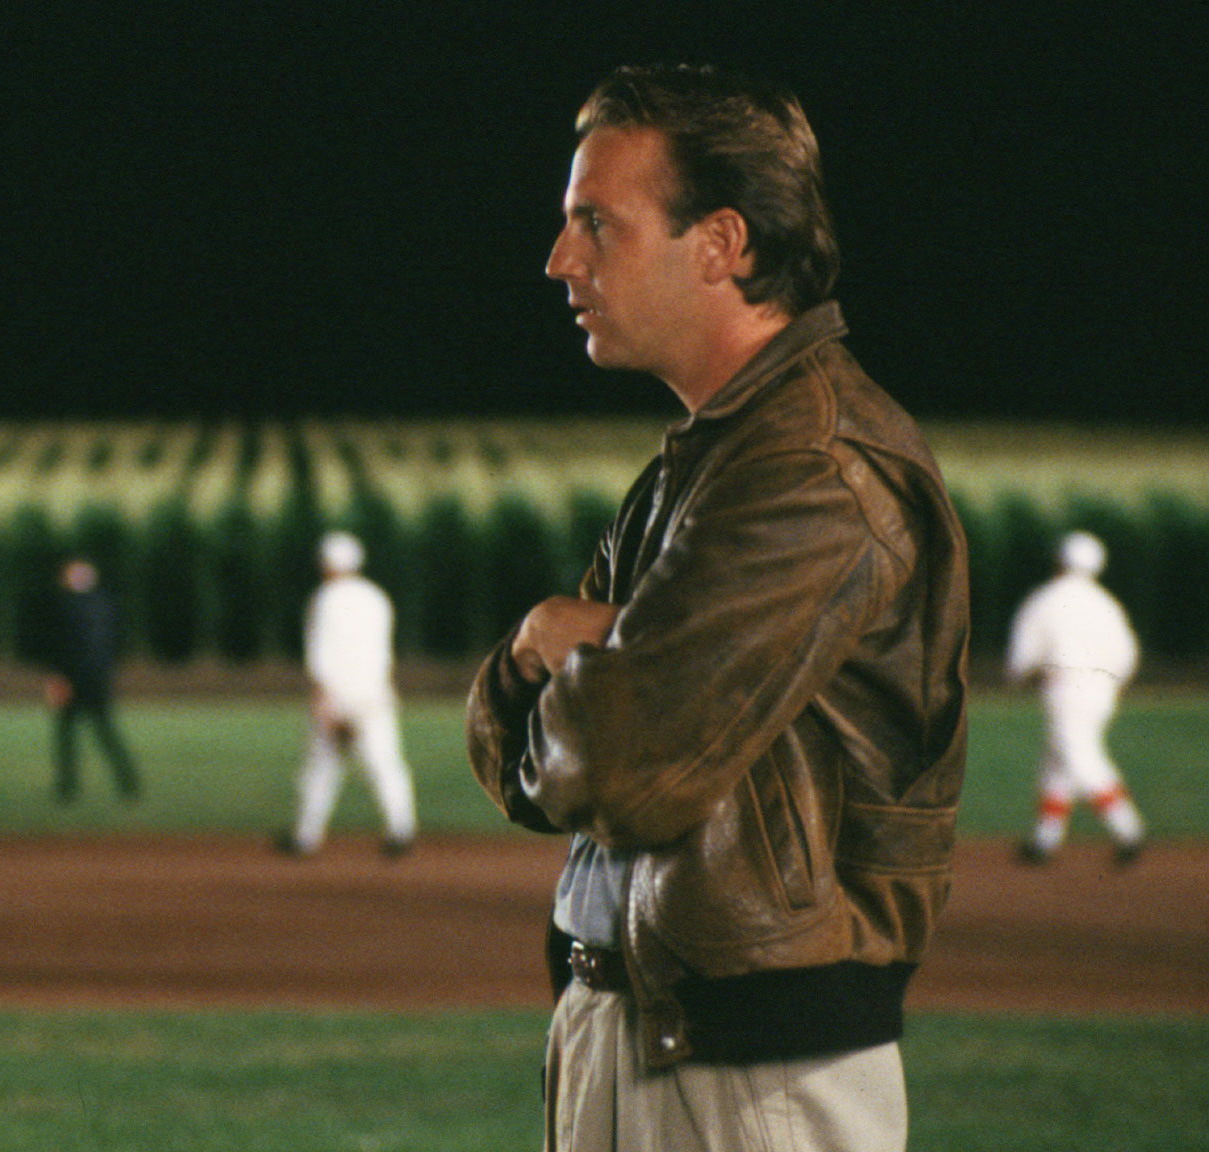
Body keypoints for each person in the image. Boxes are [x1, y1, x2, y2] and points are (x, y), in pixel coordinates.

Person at [463, 66, 970, 1151]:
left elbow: (620, 768)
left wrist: (570, 643)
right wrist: (545, 653)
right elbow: (518, 762)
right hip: (646, 1032)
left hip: (750, 1075)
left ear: (721, 243)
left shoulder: (811, 466)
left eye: (595, 223)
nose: (560, 259)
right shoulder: (707, 458)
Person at [1007, 531, 1145, 866]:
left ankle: (1129, 830)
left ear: (1059, 559)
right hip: (1104, 690)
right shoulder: (1106, 603)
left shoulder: (1045, 599)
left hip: (1065, 687)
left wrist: (1018, 675)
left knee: (1080, 756)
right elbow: (1127, 653)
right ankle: (1044, 839)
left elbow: (1023, 653)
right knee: (1058, 760)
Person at [277, 531, 416, 857]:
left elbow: (320, 653)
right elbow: (385, 650)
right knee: (385, 762)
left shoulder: (324, 598)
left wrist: (320, 696)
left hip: (337, 693)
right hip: (373, 692)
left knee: (321, 765)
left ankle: (306, 836)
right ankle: (401, 829)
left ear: (327, 563)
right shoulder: (377, 597)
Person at [35, 557, 141, 803]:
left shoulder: (100, 605)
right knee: (69, 737)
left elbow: (110, 645)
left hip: (91, 680)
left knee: (101, 734)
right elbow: (56, 646)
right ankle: (69, 787)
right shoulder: (78, 605)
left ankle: (126, 783)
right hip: (76, 680)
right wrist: (56, 678)